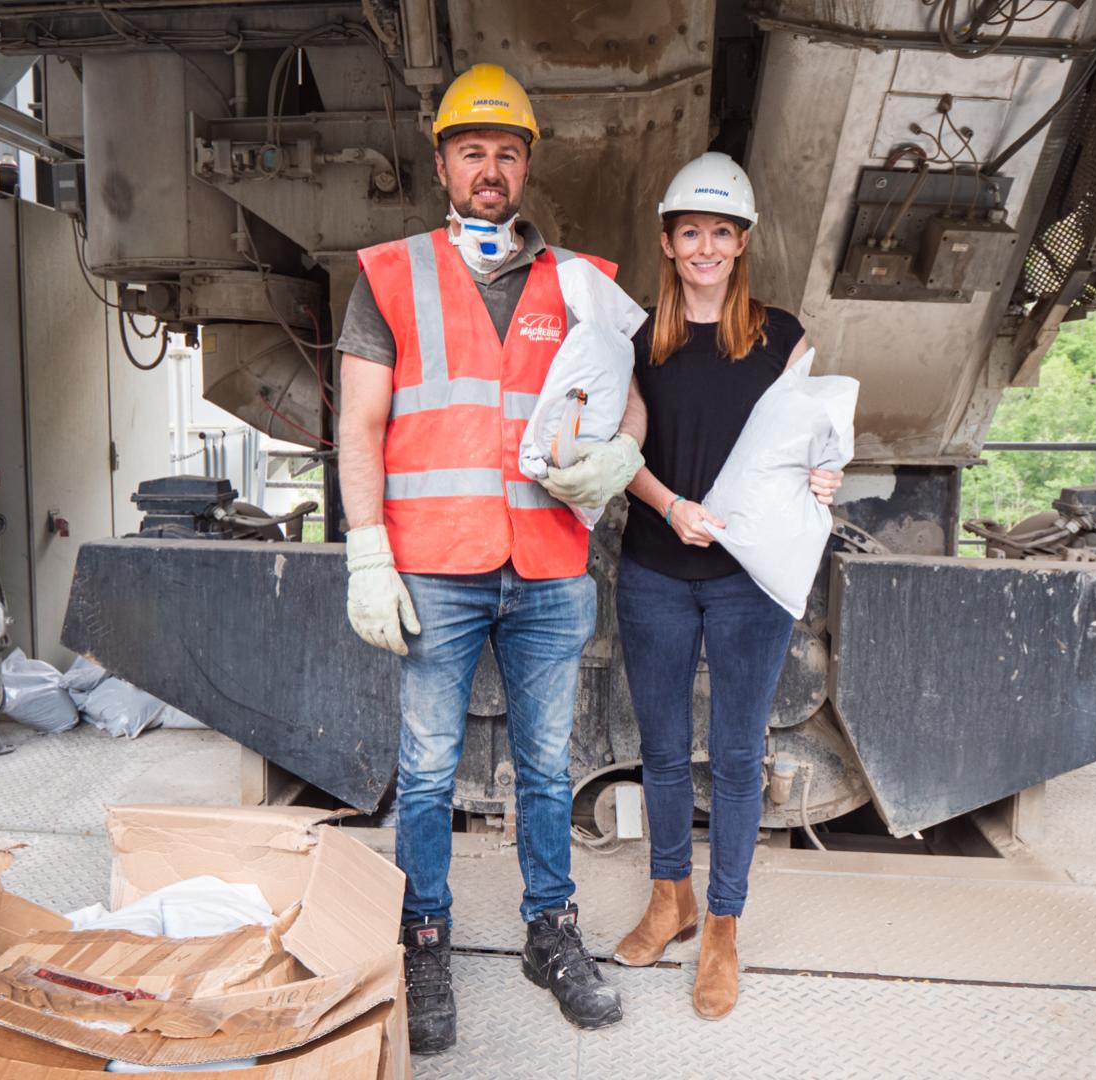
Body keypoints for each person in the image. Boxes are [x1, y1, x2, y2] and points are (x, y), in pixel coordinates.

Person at [334, 62, 645, 1054]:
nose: (490, 168)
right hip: (435, 566)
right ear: (442, 164)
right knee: (425, 774)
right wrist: (365, 553)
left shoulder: (584, 282)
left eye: (507, 152)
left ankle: (549, 933)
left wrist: (620, 453)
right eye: (472, 150)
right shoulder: (391, 273)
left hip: (549, 569)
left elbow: (627, 395)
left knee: (549, 771)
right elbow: (357, 425)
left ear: (526, 167)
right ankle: (422, 936)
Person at [607, 152, 843, 1020]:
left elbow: (813, 441)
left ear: (741, 244)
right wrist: (670, 506)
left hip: (751, 581)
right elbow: (620, 451)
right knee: (664, 752)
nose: (706, 247)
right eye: (691, 233)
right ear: (669, 243)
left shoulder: (786, 338)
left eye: (722, 233)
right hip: (659, 571)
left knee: (738, 758)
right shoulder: (638, 342)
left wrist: (827, 478)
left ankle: (722, 927)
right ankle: (668, 899)